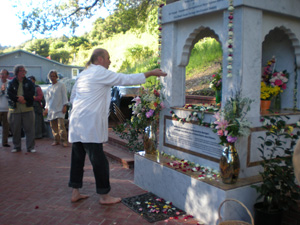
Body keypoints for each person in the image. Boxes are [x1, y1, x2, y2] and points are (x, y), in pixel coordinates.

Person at [68, 48, 167, 204]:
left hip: (77, 122)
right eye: (108, 58)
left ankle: (75, 192)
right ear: (100, 59)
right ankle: (104, 196)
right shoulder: (99, 72)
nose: (110, 61)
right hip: (89, 124)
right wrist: (150, 73)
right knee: (99, 160)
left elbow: (73, 97)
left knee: (77, 158)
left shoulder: (83, 74)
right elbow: (124, 79)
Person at [7, 65, 36, 153]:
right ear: (16, 72)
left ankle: (30, 147)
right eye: (21, 70)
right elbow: (9, 93)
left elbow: (32, 92)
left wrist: (24, 98)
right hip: (15, 110)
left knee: (29, 129)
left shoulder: (29, 82)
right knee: (15, 129)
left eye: (24, 71)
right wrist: (18, 99)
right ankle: (17, 146)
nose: (23, 72)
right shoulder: (11, 83)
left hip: (27, 109)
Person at [43, 70, 69, 147]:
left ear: (57, 77)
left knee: (61, 126)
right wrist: (46, 109)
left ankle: (64, 141)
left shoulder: (61, 85)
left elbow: (65, 96)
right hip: (51, 109)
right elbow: (47, 100)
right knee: (53, 127)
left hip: (60, 108)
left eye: (54, 76)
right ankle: (56, 140)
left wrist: (65, 106)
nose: (52, 77)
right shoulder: (49, 88)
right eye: (51, 76)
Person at [0, 69, 11, 147]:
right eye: (1, 74)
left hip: (7, 108)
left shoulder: (10, 83)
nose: (2, 75)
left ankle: (5, 142)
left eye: (4, 74)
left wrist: (5, 92)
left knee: (6, 126)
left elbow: (11, 95)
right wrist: (1, 91)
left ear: (7, 75)